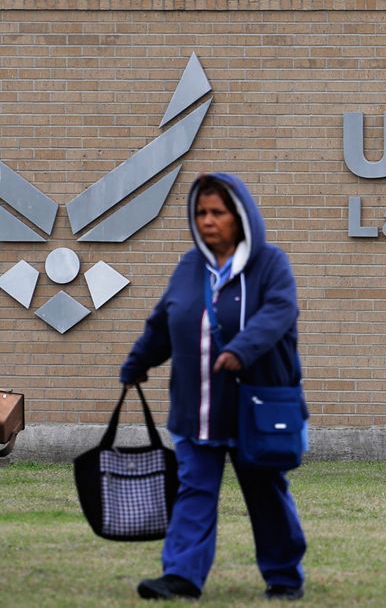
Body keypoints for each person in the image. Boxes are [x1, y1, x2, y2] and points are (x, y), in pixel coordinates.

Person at [119, 173, 308, 601]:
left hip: (254, 409)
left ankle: (284, 575)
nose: (207, 221)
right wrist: (138, 362)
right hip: (196, 407)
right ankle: (182, 576)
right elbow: (165, 319)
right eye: (201, 212)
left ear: (240, 217)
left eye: (217, 212)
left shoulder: (271, 264)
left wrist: (242, 348)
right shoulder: (190, 266)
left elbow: (280, 311)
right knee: (194, 492)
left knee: (266, 496)